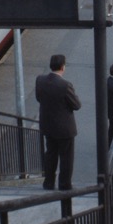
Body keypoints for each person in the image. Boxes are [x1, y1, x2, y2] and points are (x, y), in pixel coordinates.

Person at [35, 54, 81, 190]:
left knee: (50, 155)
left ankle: (48, 183)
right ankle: (64, 184)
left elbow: (39, 98)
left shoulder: (40, 80)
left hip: (48, 126)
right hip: (65, 129)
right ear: (63, 67)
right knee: (66, 158)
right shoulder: (65, 85)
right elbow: (76, 105)